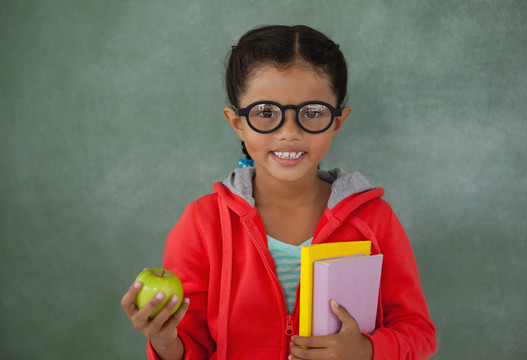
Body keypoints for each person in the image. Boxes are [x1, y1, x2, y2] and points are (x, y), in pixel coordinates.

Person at [121, 24, 437, 360]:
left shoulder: (375, 220)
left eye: (312, 113)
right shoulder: (202, 224)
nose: (289, 132)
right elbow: (191, 346)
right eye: (266, 113)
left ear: (338, 122)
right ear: (236, 122)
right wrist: (165, 341)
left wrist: (368, 351)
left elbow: (417, 332)